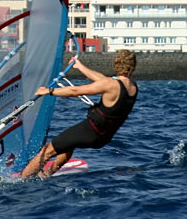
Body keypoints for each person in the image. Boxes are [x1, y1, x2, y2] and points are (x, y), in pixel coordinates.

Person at [20, 49, 138, 178]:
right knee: (68, 145)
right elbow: (103, 81)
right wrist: (80, 67)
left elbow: (76, 90)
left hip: (90, 132)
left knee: (47, 152)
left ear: (115, 64)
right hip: (104, 138)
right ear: (133, 67)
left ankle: (22, 180)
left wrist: (49, 91)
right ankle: (47, 174)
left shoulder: (110, 84)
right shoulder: (132, 87)